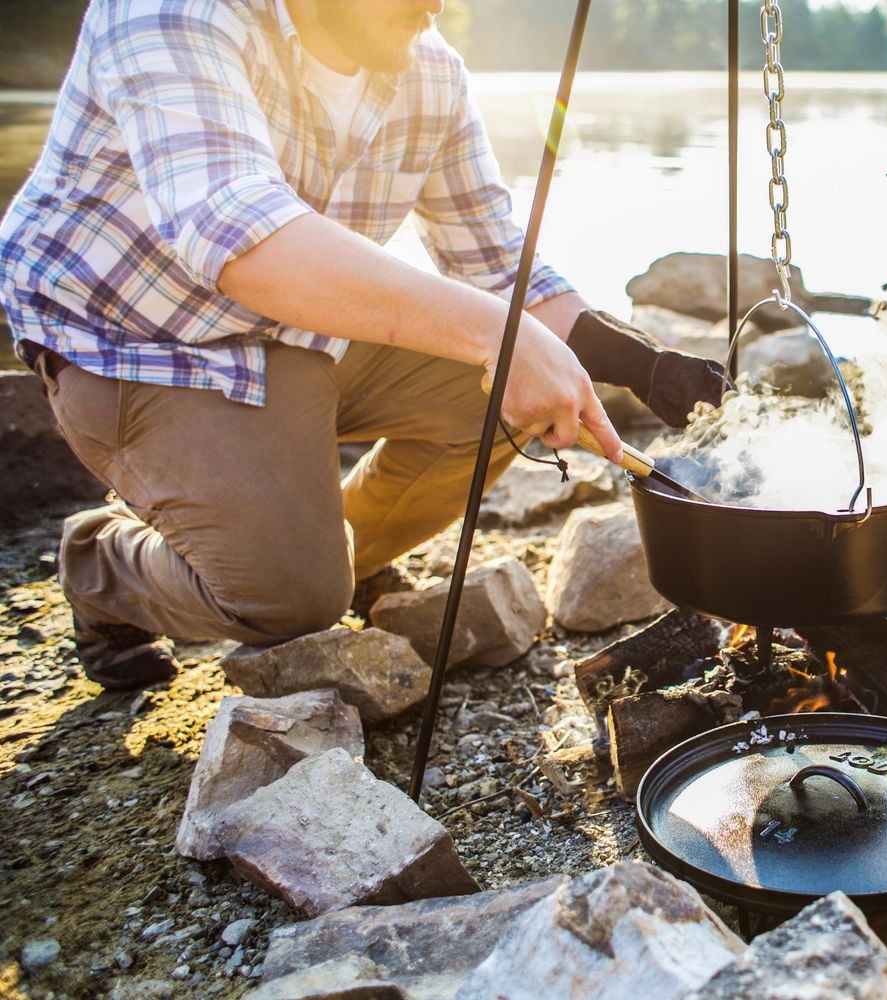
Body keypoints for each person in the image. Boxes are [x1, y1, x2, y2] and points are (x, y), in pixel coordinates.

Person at [0, 0, 725, 690]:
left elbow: (496, 260)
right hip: (141, 346)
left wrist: (643, 364)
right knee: (290, 602)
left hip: (303, 334)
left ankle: (331, 551)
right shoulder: (171, 14)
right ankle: (98, 565)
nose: (434, 7)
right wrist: (499, 336)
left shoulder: (426, 68)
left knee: (509, 399)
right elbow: (243, 240)